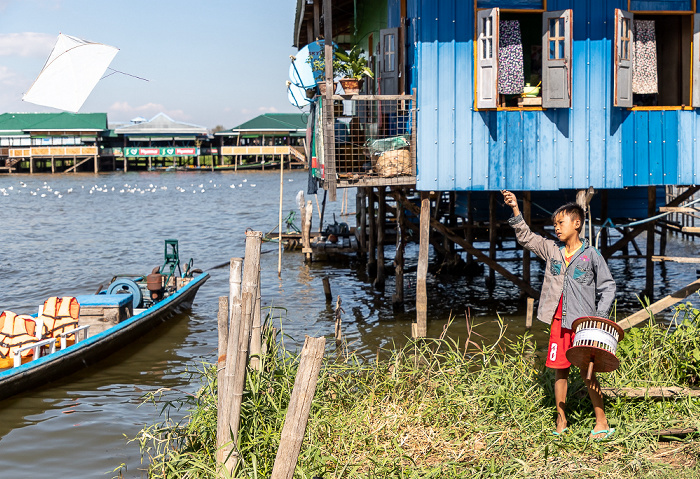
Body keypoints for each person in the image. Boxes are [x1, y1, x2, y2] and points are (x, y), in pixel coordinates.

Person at [502, 190, 616, 440]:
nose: (556, 228)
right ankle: (561, 420)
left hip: (583, 326)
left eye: (560, 223)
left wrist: (598, 318)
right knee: (559, 370)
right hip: (557, 323)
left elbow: (608, 287)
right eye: (554, 224)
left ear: (577, 224)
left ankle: (601, 421)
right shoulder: (552, 250)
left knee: (589, 372)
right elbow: (526, 238)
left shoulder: (591, 256)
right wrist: (515, 210)